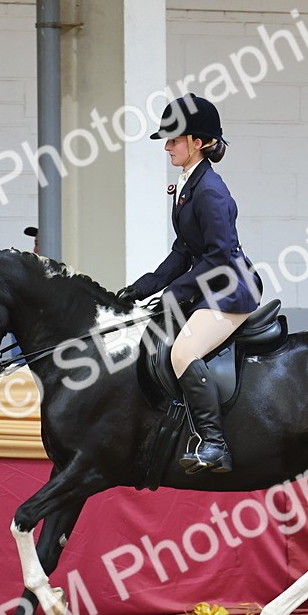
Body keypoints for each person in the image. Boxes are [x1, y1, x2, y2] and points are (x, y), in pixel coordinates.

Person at [116, 94, 263, 475]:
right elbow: (184, 250)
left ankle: (215, 444)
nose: (166, 146)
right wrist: (144, 286)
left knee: (182, 352)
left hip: (231, 288)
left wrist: (176, 293)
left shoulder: (211, 191)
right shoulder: (187, 184)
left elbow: (219, 255)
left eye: (174, 139)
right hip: (208, 285)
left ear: (198, 142)